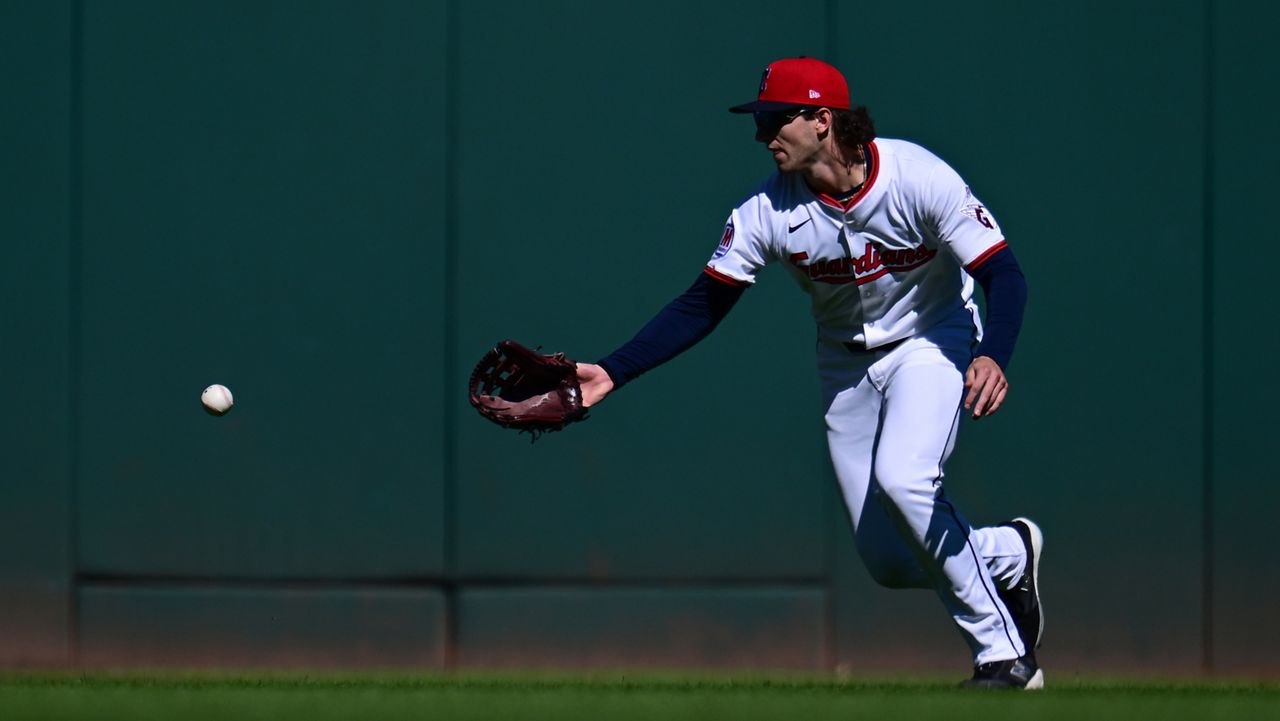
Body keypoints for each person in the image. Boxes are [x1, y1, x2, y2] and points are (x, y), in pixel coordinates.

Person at [573, 57, 1043, 689]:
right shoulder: (766, 211)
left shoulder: (917, 176)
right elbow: (703, 304)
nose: (763, 135)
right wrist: (612, 371)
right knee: (888, 559)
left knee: (905, 481)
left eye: (775, 119)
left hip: (933, 340)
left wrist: (996, 354)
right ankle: (1009, 553)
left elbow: (1002, 273)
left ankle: (1004, 657)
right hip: (843, 366)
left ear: (823, 120)